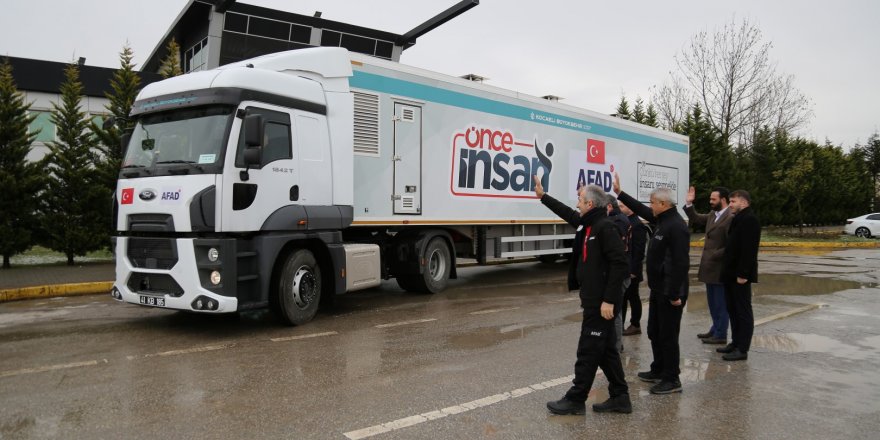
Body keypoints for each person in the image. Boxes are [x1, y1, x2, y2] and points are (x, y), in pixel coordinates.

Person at [534, 175, 632, 415]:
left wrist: (609, 300)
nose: (577, 202)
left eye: (580, 199)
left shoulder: (605, 227)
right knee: (607, 350)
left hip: (602, 303)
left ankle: (576, 399)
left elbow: (620, 264)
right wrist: (543, 197)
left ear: (591, 204)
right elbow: (568, 213)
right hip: (593, 299)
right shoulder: (587, 224)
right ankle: (621, 397)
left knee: (588, 349)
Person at [613, 172, 690, 394]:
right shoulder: (662, 219)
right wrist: (620, 193)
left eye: (653, 202)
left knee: (668, 335)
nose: (650, 206)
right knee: (654, 331)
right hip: (658, 289)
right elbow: (640, 209)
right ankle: (658, 369)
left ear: (664, 204)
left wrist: (675, 294)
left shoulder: (676, 226)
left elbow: (680, 263)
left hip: (670, 291)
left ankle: (672, 378)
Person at [683, 186, 733, 345]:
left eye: (713, 199)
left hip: (720, 268)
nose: (710, 202)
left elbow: (732, 245)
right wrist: (689, 204)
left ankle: (721, 334)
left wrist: (715, 254)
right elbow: (697, 218)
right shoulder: (714, 214)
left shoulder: (730, 217)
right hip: (709, 268)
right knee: (712, 302)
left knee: (720, 303)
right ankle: (715, 328)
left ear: (723, 200)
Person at [717, 190, 761, 361]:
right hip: (730, 274)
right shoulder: (738, 219)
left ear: (743, 202)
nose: (730, 205)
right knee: (732, 309)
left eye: (733, 201)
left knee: (742, 311)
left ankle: (742, 349)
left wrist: (743, 274)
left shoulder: (750, 220)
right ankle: (735, 343)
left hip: (740, 276)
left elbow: (749, 250)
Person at [606, 194, 632, 352]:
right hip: (622, 273)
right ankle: (614, 343)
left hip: (620, 275)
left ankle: (616, 345)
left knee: (615, 311)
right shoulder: (619, 219)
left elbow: (618, 252)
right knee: (616, 310)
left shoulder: (617, 222)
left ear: (608, 207)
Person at [620, 202, 649, 336]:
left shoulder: (637, 225)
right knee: (624, 298)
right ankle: (621, 325)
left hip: (632, 271)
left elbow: (638, 251)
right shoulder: (627, 222)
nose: (620, 208)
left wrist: (633, 271)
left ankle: (635, 324)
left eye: (622, 206)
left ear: (630, 208)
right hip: (626, 269)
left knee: (633, 297)